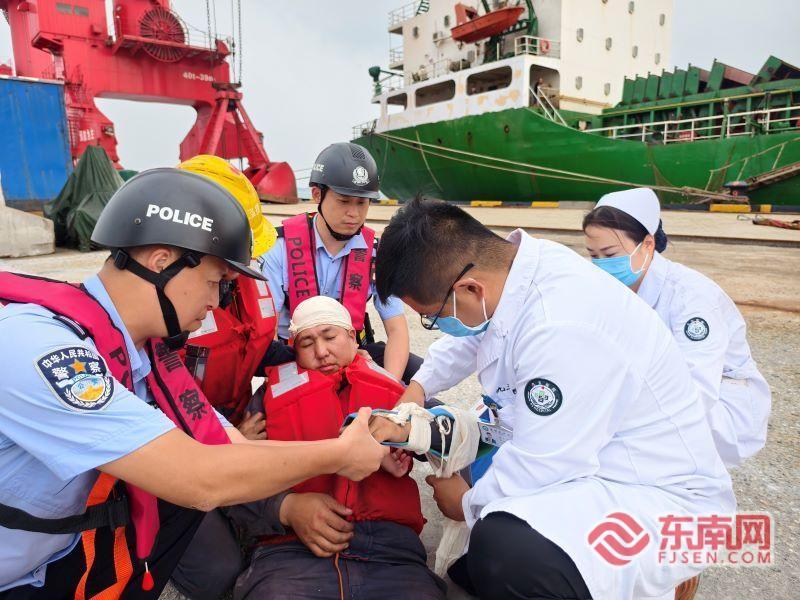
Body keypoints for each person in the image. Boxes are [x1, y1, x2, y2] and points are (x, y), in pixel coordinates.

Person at [0, 168, 386, 598]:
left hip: (52, 558)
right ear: (161, 262)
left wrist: (333, 451)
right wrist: (337, 455)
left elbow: (227, 448)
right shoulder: (42, 347)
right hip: (14, 577)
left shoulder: (146, 355)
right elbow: (200, 478)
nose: (217, 301)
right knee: (188, 492)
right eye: (215, 282)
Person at [368, 198, 735, 600]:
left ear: (470, 288)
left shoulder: (560, 326)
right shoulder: (515, 272)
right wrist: (416, 390)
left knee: (505, 550)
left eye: (433, 317)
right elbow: (474, 336)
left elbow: (540, 464)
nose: (437, 325)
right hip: (599, 457)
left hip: (657, 494)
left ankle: (661, 583)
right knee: (476, 561)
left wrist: (465, 503)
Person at [233, 296, 446, 600]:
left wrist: (405, 439)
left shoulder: (398, 393)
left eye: (330, 337)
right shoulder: (267, 399)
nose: (321, 352)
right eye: (307, 343)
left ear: (351, 336)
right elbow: (233, 480)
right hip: (291, 554)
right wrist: (283, 507)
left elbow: (450, 442)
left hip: (391, 554)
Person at [582, 187, 771, 468]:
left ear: (647, 245)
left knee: (618, 451)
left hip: (719, 402)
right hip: (656, 388)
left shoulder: (691, 297)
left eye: (610, 254)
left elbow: (696, 389)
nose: (601, 265)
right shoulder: (618, 288)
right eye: (593, 256)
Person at [259, 142, 418, 383]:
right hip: (294, 355)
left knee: (418, 375)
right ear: (317, 194)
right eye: (344, 201)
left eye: (362, 203)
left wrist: (390, 387)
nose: (354, 213)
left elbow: (397, 330)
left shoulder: (376, 254)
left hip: (351, 352)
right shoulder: (278, 249)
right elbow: (267, 334)